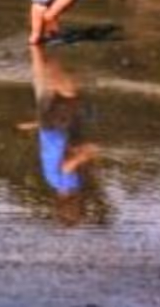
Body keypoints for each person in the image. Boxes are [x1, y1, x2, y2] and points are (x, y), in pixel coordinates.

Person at [22, 46, 99, 221]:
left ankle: (54, 51)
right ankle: (38, 48)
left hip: (57, 126)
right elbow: (61, 156)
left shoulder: (70, 184)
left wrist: (86, 155)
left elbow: (66, 166)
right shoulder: (52, 182)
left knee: (67, 91)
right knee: (43, 85)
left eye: (78, 210)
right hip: (48, 127)